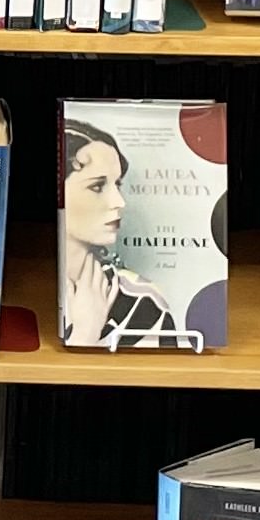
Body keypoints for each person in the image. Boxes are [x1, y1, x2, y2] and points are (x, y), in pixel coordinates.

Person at [59, 116, 201, 350]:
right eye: (97, 186)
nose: (119, 201)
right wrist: (84, 335)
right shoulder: (35, 291)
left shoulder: (142, 301)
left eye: (118, 184)